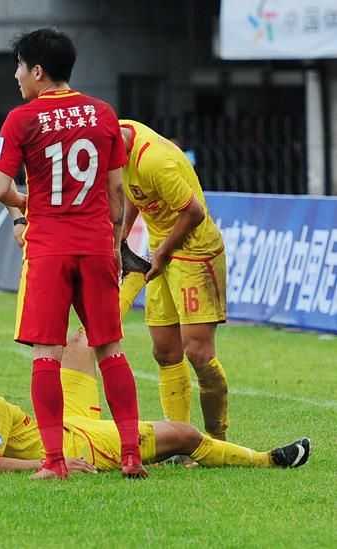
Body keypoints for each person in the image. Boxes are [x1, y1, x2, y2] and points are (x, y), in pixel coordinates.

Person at [0, 28, 145, 479]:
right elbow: (116, 191)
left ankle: (55, 461)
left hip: (49, 249)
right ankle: (131, 455)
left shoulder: (21, 119)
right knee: (110, 349)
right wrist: (114, 242)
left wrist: (27, 202)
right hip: (96, 244)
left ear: (37, 70)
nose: (16, 75)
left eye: (20, 66)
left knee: (47, 354)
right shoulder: (103, 113)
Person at [0, 325, 311, 473]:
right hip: (83, 445)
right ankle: (268, 460)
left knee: (80, 341)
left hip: (67, 423)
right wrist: (51, 463)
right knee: (185, 434)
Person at [118, 119, 229, 441]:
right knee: (165, 351)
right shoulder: (119, 140)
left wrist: (163, 252)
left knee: (198, 353)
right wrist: (122, 236)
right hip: (161, 250)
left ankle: (217, 440)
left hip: (195, 251)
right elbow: (135, 190)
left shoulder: (155, 159)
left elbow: (194, 212)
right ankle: (181, 442)